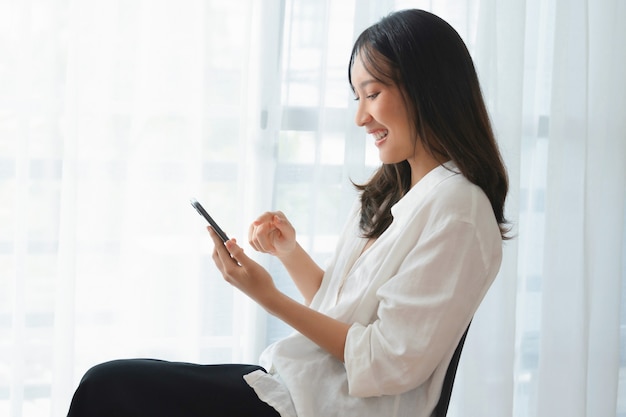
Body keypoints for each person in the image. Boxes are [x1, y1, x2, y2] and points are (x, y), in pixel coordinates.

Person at [67, 8, 509, 417]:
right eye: (356, 97)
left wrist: (268, 298)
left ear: (427, 87)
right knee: (110, 385)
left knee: (109, 388)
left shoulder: (459, 209)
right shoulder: (396, 194)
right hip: (295, 387)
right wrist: (289, 252)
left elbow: (384, 361)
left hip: (322, 407)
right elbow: (340, 314)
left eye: (372, 94)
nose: (360, 117)